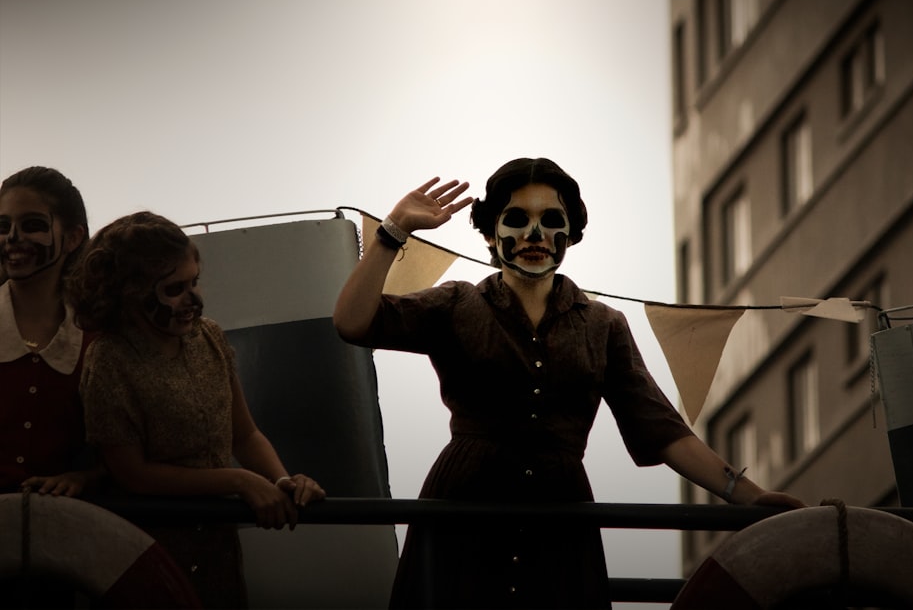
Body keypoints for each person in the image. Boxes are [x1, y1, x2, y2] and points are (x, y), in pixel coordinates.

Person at [333, 157, 806, 609]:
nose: (535, 233)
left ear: (571, 233)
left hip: (559, 525)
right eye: (517, 218)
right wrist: (393, 231)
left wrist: (749, 496)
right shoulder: (456, 304)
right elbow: (353, 323)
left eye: (551, 219)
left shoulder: (603, 325)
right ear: (492, 236)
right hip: (462, 516)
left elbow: (662, 429)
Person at [67, 211, 326, 609]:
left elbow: (246, 434)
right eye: (175, 288)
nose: (194, 299)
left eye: (195, 283)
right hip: (148, 549)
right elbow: (132, 474)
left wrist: (280, 482)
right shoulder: (109, 362)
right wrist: (238, 482)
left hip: (216, 543)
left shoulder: (210, 337)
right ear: (131, 292)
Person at [1, 166, 101, 497]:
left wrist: (84, 477)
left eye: (32, 225)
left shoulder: (97, 337)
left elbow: (124, 448)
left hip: (63, 534)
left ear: (73, 237)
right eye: (3, 226)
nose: (12, 237)